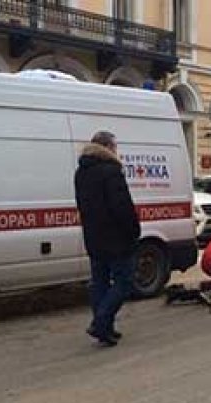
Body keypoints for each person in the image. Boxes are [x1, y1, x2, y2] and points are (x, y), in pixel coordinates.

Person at [74, 131, 140, 347]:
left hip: (93, 236)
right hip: (117, 238)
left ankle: (106, 329)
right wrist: (133, 230)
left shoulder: (81, 172)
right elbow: (122, 207)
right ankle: (101, 322)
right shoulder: (111, 172)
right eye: (115, 146)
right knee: (125, 282)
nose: (116, 150)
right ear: (107, 147)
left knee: (100, 283)